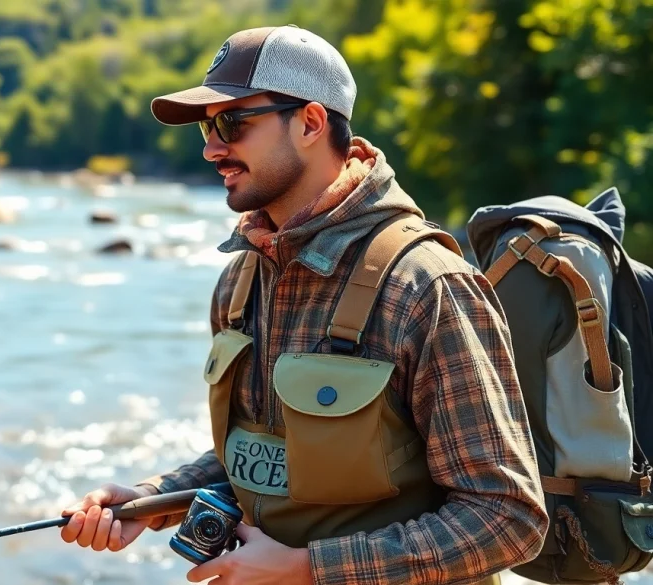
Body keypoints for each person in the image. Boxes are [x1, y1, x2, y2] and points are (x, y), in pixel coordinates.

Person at [59, 25, 549, 585]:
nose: (211, 147)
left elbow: (508, 519)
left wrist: (307, 568)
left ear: (311, 123)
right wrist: (151, 499)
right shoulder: (241, 278)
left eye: (232, 123)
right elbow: (276, 452)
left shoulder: (426, 286)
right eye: (206, 126)